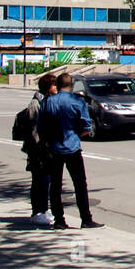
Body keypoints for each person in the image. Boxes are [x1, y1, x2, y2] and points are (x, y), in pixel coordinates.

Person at [39, 73, 102, 230]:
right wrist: (76, 134)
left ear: (58, 85)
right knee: (80, 184)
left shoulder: (47, 102)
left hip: (54, 148)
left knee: (55, 186)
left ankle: (59, 220)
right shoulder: (77, 101)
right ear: (71, 85)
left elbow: (40, 127)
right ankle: (86, 219)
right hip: (72, 147)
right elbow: (87, 127)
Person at [23, 73, 57, 226]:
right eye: (54, 85)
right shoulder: (36, 104)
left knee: (46, 181)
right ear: (47, 87)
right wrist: (41, 147)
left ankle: (44, 208)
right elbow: (34, 130)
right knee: (38, 180)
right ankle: (37, 211)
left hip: (46, 148)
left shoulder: (46, 101)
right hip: (38, 150)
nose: (56, 88)